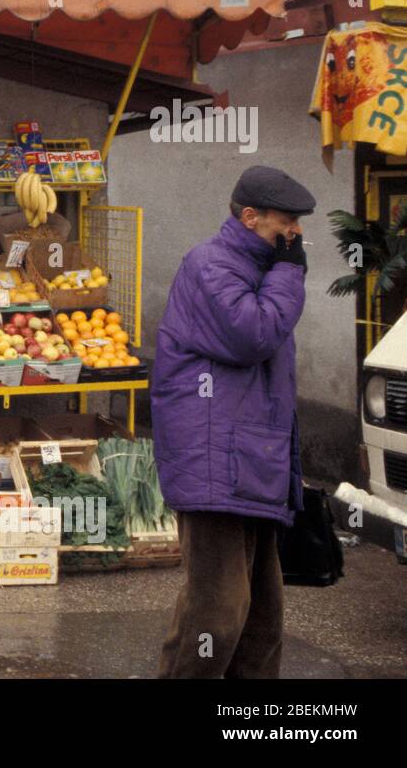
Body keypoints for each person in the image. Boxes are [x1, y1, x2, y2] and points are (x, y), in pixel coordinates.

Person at [151, 165, 315, 679]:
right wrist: (290, 271)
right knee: (217, 614)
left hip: (253, 456)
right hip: (213, 457)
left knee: (262, 618)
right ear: (249, 217)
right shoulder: (209, 266)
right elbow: (254, 335)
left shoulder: (262, 270)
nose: (296, 235)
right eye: (285, 222)